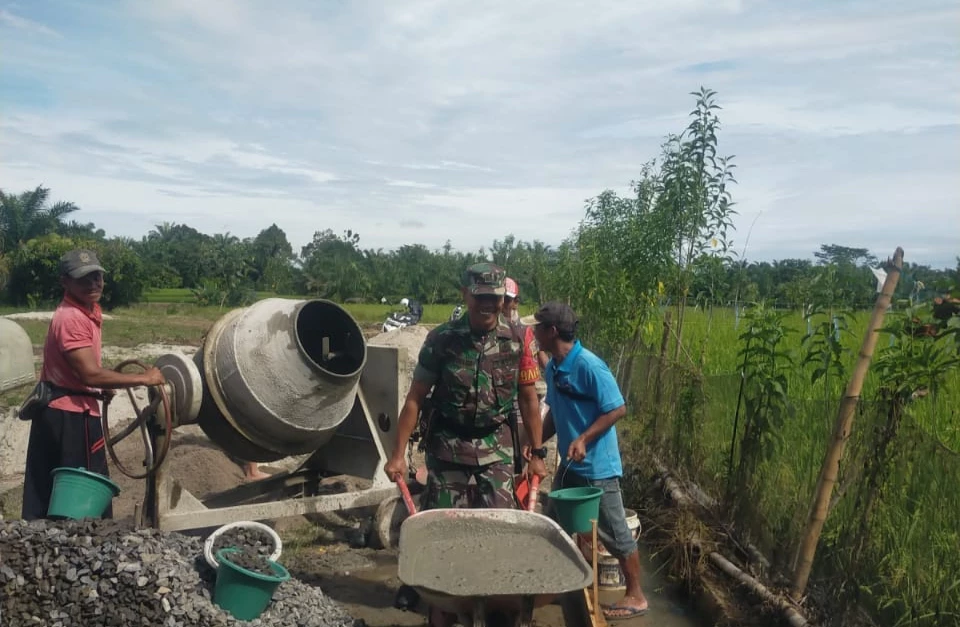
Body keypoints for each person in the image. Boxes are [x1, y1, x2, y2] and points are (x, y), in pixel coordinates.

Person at [384, 262, 546, 627]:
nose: (488, 305)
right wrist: (397, 456)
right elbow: (415, 398)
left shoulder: (518, 340)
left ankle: (494, 604)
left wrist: (536, 455)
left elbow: (529, 400)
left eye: (495, 298)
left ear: (503, 299)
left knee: (501, 532)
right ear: (466, 295)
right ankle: (438, 602)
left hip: (497, 448)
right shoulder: (441, 340)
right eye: (481, 297)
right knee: (441, 533)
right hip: (449, 445)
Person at [525, 301, 650, 620]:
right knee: (554, 523)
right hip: (569, 465)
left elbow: (617, 408)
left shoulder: (590, 366)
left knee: (614, 531)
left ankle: (636, 594)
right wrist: (536, 445)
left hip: (597, 467)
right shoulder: (554, 366)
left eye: (538, 327)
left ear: (552, 332)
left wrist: (583, 438)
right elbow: (552, 411)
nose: (534, 332)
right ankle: (555, 582)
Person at [21, 249, 165, 520]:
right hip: (72, 417)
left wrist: (102, 387)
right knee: (82, 488)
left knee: (51, 488)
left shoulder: (86, 310)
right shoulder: (72, 319)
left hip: (61, 406)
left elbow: (85, 374)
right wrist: (144, 379)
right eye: (84, 279)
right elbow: (89, 374)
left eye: (97, 276)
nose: (94, 284)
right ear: (65, 281)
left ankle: (49, 539)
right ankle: (81, 544)